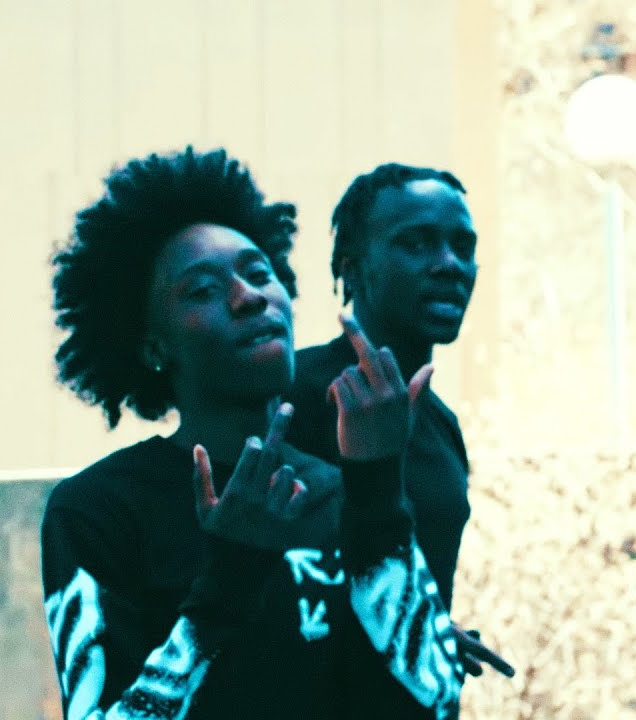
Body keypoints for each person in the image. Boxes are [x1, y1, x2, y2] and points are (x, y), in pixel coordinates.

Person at [42, 148, 497, 719]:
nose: (250, 296)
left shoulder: (345, 498)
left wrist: (378, 483)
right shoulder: (98, 509)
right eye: (203, 290)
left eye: (260, 274)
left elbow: (429, 705)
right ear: (154, 345)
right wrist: (228, 579)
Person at [287, 163, 511, 716]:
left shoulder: (441, 423)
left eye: (463, 247)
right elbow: (268, 584)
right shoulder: (292, 399)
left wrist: (429, 626)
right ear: (351, 268)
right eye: (416, 243)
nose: (449, 264)